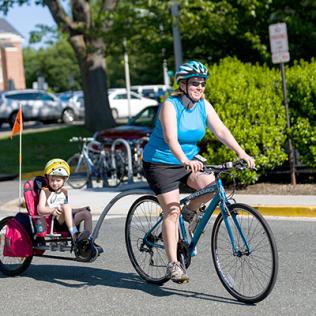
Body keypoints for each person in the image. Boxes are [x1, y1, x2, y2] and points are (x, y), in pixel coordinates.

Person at [142, 61, 255, 284]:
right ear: (182, 85)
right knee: (171, 211)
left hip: (189, 161)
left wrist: (242, 153)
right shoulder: (170, 106)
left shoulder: (203, 105)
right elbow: (170, 139)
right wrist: (184, 160)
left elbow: (221, 130)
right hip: (160, 163)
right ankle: (173, 264)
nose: (200, 88)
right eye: (195, 83)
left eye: (202, 84)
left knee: (212, 184)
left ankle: (190, 211)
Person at [37, 158, 92, 244]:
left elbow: (68, 210)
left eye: (58, 180)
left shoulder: (64, 191)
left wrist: (80, 209)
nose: (55, 183)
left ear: (64, 180)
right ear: (48, 178)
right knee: (65, 206)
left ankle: (88, 239)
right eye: (52, 180)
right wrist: (53, 209)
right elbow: (40, 209)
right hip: (56, 223)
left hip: (68, 222)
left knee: (86, 214)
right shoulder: (44, 191)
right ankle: (75, 235)